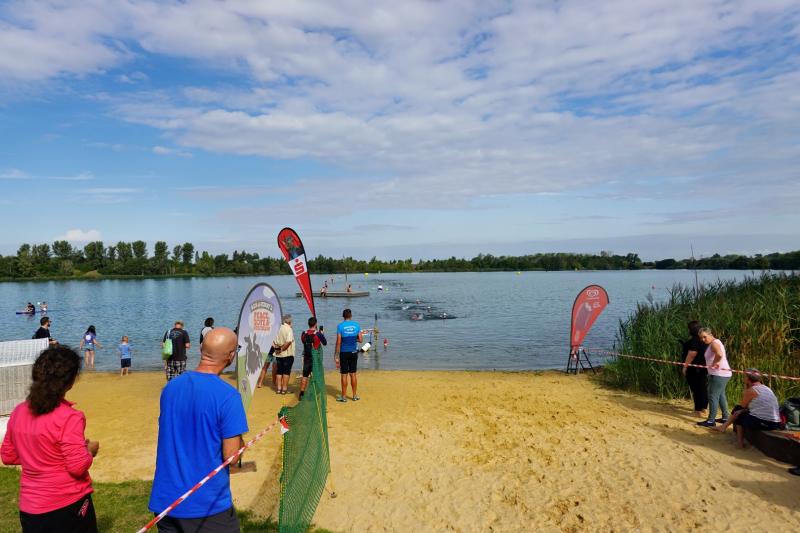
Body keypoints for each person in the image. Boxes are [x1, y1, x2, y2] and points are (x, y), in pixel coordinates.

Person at [148, 328, 247, 532]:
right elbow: (232, 457)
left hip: (167, 501)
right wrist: (241, 443)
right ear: (230, 356)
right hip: (206, 504)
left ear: (201, 349)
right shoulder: (229, 396)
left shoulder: (171, 388)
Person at [1, 345, 100, 533]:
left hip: (30, 509)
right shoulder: (70, 417)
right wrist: (89, 450)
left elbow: (8, 455)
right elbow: (77, 466)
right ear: (70, 382)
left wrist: (38, 455)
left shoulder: (19, 411)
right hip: (67, 505)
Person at [714, 369, 781, 447]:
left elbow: (742, 406)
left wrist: (746, 388)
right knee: (739, 411)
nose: (743, 378)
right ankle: (724, 427)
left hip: (766, 423)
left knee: (738, 413)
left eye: (744, 376)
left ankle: (739, 443)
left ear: (748, 379)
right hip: (775, 423)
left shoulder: (751, 390)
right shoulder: (766, 388)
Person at [696, 327, 732, 427]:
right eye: (701, 338)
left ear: (710, 334)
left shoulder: (714, 343)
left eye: (704, 337)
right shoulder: (715, 342)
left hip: (719, 374)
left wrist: (714, 363)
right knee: (720, 395)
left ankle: (711, 420)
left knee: (712, 396)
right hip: (721, 374)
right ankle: (725, 417)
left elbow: (719, 354)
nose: (703, 339)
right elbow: (719, 355)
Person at [681, 321, 708, 417]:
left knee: (696, 389)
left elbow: (692, 354)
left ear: (691, 330)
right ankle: (704, 408)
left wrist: (685, 367)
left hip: (694, 368)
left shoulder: (694, 340)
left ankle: (698, 410)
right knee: (702, 387)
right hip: (703, 367)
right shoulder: (704, 340)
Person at [335, 308, 362, 402]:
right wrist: (353, 339)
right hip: (354, 352)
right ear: (351, 316)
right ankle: (354, 396)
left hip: (344, 352)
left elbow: (338, 342)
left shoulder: (340, 326)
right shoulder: (356, 325)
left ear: (343, 316)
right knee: (353, 374)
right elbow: (361, 340)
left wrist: (336, 355)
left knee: (344, 375)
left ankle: (344, 397)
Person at [299, 317, 327, 400]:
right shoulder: (318, 334)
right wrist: (322, 333)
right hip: (315, 359)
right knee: (316, 376)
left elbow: (303, 341)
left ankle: (301, 393)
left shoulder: (303, 333)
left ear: (308, 324)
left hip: (306, 358)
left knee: (305, 375)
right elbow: (325, 343)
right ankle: (314, 394)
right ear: (315, 324)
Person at [273, 315, 295, 394]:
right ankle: (284, 389)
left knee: (279, 371)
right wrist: (281, 349)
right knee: (286, 371)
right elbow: (288, 342)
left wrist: (277, 349)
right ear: (289, 321)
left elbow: (273, 341)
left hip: (278, 354)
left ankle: (279, 389)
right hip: (287, 354)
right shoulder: (289, 329)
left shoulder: (278, 328)